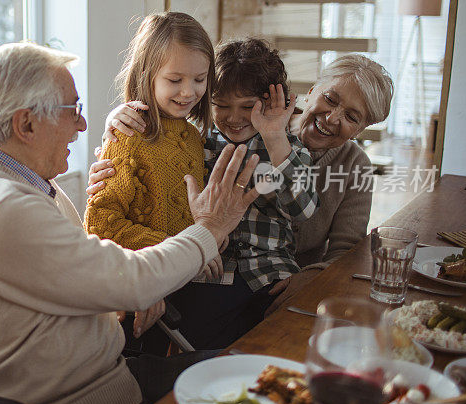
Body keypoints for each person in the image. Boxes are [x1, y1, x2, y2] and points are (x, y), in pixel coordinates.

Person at [0, 42, 261, 404]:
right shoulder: (1, 208)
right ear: (26, 125)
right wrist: (209, 227)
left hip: (102, 386)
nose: (82, 127)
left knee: (248, 377)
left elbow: (82, 265)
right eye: (72, 111)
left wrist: (122, 289)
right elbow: (133, 279)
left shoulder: (20, 184)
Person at [90, 52, 395, 319]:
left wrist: (312, 279)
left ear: (361, 129)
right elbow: (153, 170)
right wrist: (116, 132)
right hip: (210, 269)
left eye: (352, 117)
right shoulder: (216, 135)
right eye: (330, 99)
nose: (331, 117)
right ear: (312, 90)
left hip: (277, 277)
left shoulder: (355, 167)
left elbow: (345, 251)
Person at [83, 12, 222, 348]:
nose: (189, 92)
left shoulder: (192, 137)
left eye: (200, 79)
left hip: (179, 281)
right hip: (138, 291)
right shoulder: (128, 134)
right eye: (175, 80)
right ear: (147, 76)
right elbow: (100, 224)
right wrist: (178, 247)